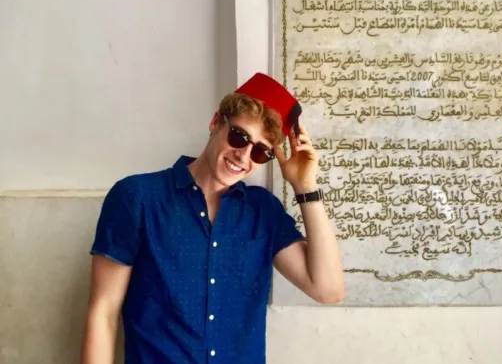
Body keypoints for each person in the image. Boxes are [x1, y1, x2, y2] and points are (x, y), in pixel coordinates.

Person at [80, 72, 345, 364]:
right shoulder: (138, 198)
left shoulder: (263, 213)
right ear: (216, 122)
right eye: (239, 137)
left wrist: (305, 187)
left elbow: (328, 289)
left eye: (260, 152)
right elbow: (103, 312)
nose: (243, 156)